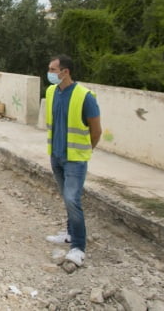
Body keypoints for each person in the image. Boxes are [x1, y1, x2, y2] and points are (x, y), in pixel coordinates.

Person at [44, 54, 102, 268]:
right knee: (66, 197)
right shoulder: (51, 92)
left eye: (53, 69)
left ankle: (78, 247)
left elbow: (96, 130)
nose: (49, 73)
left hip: (75, 159)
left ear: (65, 72)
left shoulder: (85, 96)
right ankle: (69, 233)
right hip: (56, 155)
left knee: (72, 199)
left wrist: (85, 150)